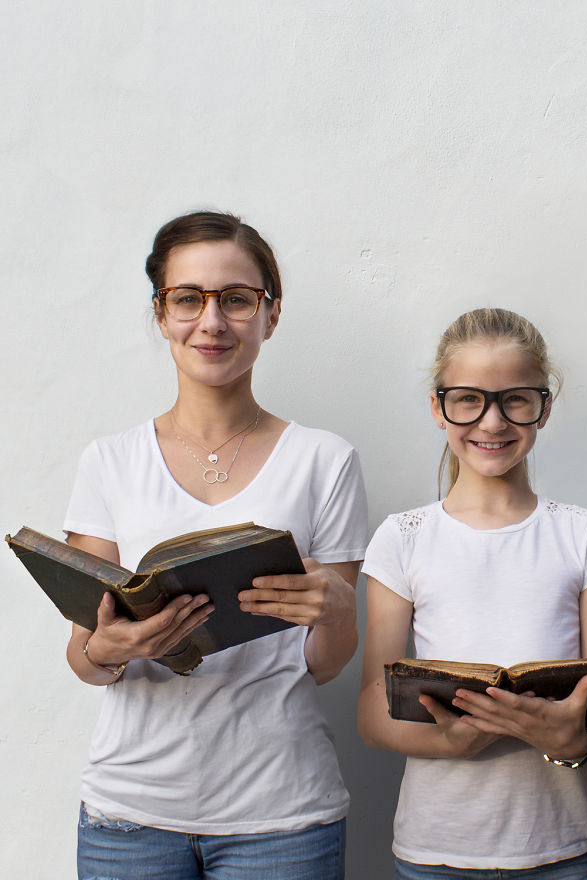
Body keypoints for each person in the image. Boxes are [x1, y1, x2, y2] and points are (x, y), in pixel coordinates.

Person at [64, 211, 367, 880]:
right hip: (128, 815)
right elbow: (84, 658)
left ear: (271, 313)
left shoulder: (326, 460)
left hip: (282, 813)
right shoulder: (109, 461)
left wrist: (339, 610)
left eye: (236, 299)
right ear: (161, 312)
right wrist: (107, 650)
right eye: (188, 299)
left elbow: (324, 665)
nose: (213, 321)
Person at [357, 308, 587, 879]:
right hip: (437, 851)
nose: (492, 421)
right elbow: (371, 712)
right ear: (438, 407)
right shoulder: (402, 539)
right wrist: (451, 744)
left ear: (543, 407)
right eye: (468, 399)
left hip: (563, 849)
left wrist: (571, 741)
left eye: (516, 399)